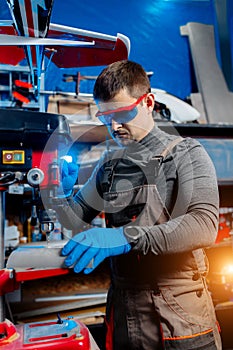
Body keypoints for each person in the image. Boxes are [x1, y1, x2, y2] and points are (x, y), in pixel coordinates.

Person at [53, 60, 222, 349]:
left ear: (149, 102)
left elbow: (203, 225)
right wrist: (63, 194)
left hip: (178, 317)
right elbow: (73, 219)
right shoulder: (109, 166)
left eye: (123, 112)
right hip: (125, 314)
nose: (114, 125)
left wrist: (125, 237)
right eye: (106, 117)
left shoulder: (186, 154)